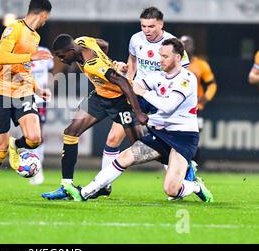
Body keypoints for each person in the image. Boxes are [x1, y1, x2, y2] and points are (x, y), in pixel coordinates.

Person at [64, 38, 214, 203]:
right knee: (124, 157)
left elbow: (168, 106)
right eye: (160, 55)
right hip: (160, 134)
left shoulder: (186, 78)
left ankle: (195, 186)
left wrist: (144, 93)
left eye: (165, 56)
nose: (160, 60)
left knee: (171, 190)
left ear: (178, 58)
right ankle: (84, 193)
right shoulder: (157, 76)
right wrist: (117, 70)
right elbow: (132, 85)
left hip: (183, 138)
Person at [41, 34, 148, 200]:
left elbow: (124, 83)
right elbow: (104, 43)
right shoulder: (82, 41)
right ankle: (67, 185)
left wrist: (139, 112)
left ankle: (184, 169)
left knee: (141, 148)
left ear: (71, 51)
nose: (61, 60)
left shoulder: (93, 65)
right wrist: (109, 61)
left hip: (121, 101)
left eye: (62, 56)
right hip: (99, 97)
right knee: (70, 132)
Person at [101, 7, 196, 188]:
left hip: (161, 100)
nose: (146, 30)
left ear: (161, 25)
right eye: (143, 26)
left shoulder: (172, 46)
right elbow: (132, 62)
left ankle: (184, 170)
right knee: (113, 138)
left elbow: (184, 74)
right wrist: (126, 76)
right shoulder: (136, 39)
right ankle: (104, 187)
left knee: (157, 145)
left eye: (151, 26)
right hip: (138, 96)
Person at [0, 0, 53, 203]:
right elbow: (1, 58)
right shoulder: (13, 29)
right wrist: (31, 57)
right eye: (46, 18)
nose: (45, 22)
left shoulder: (35, 38)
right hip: (0, 93)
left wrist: (37, 89)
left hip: (23, 92)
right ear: (42, 14)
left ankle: (16, 144)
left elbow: (23, 70)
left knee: (34, 138)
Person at [180, 35, 217, 165]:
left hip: (195, 108)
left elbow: (212, 84)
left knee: (192, 138)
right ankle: (179, 166)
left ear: (193, 46)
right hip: (176, 108)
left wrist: (205, 99)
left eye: (188, 43)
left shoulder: (201, 64)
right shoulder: (174, 63)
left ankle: (192, 166)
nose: (185, 46)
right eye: (182, 43)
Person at [29, 46, 54, 185]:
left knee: (38, 133)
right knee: (29, 134)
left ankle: (38, 167)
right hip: (24, 97)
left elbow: (51, 69)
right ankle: (34, 166)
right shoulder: (22, 52)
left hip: (40, 100)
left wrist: (48, 86)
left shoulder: (45, 52)